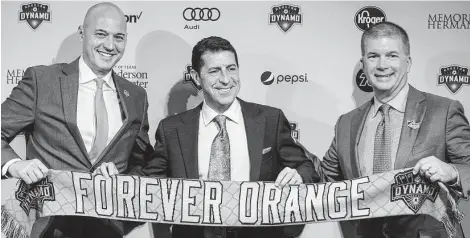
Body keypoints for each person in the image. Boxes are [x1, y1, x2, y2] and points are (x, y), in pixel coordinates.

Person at [139, 36, 319, 238]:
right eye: (214, 71)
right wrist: (110, 182)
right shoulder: (172, 129)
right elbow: (145, 186)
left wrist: (299, 175)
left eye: (231, 68)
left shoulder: (270, 119)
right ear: (197, 78)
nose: (226, 79)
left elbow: (307, 168)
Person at [1, 2, 153, 237]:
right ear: (82, 33)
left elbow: (143, 162)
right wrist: (14, 165)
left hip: (107, 228)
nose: (110, 46)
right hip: (48, 226)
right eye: (100, 34)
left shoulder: (137, 97)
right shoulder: (43, 81)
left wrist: (123, 179)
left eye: (119, 37)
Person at [318, 21, 470, 238]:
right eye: (373, 56)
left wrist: (452, 172)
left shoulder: (443, 111)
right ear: (363, 64)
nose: (382, 65)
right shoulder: (346, 123)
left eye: (391, 55)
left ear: (407, 63)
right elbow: (325, 179)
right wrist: (295, 167)